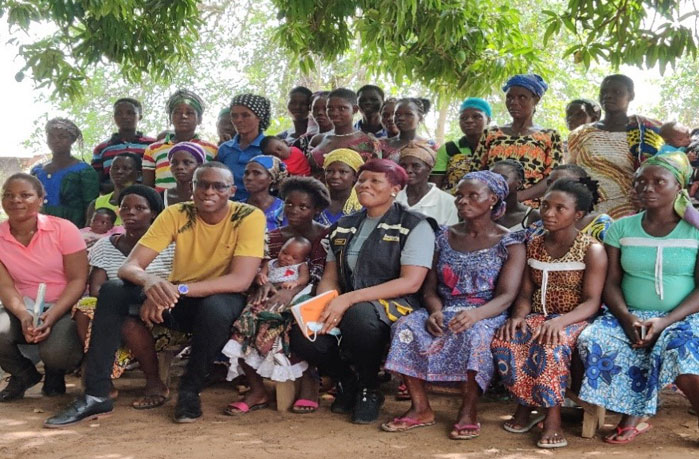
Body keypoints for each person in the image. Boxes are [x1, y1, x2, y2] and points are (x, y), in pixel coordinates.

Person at [45, 162, 266, 427]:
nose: (209, 192)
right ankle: (96, 392)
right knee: (114, 289)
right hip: (179, 300)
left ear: (231, 191)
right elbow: (130, 267)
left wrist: (175, 290)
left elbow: (240, 281)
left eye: (218, 186)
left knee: (216, 306)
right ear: (192, 189)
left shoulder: (248, 216)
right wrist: (150, 282)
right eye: (202, 185)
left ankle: (189, 390)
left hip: (220, 300)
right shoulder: (177, 213)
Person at [290, 159, 438, 424]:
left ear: (395, 189)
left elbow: (411, 283)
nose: (364, 185)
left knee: (359, 316)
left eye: (375, 181)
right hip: (350, 302)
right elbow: (330, 278)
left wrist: (347, 299)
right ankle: (348, 381)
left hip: (398, 303)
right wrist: (324, 304)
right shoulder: (344, 225)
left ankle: (370, 387)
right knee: (304, 332)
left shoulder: (414, 224)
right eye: (361, 180)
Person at [381, 171, 526, 439]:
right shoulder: (443, 236)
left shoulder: (510, 242)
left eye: (473, 195)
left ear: (493, 199)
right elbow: (430, 288)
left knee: (475, 335)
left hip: (487, 312)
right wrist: (434, 310)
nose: (462, 200)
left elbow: (506, 296)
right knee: (406, 326)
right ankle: (420, 407)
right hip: (445, 308)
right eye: (459, 194)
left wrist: (475, 315)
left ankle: (468, 410)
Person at [577, 151, 699, 444]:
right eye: (640, 182)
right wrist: (627, 317)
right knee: (593, 339)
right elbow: (611, 284)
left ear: (679, 187)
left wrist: (665, 321)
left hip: (683, 314)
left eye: (659, 181)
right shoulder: (621, 228)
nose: (648, 188)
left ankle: (644, 414)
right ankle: (632, 413)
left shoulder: (695, 231)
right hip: (628, 313)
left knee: (680, 349)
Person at [491, 178, 607, 449]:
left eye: (559, 208)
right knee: (506, 340)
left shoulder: (591, 249)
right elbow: (524, 295)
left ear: (578, 214)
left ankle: (552, 418)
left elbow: (591, 302)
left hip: (575, 318)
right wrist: (518, 317)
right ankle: (525, 403)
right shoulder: (534, 244)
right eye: (545, 206)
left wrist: (561, 322)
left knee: (549, 346)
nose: (549, 213)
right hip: (538, 316)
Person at [221, 176, 331, 414]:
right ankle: (256, 388)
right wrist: (262, 286)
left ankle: (309, 383)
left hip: (313, 295)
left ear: (317, 209)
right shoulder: (272, 238)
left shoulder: (326, 237)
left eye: (304, 206)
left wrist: (293, 294)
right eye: (289, 204)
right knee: (246, 320)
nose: (294, 210)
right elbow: (258, 268)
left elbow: (325, 277)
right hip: (272, 292)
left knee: (298, 321)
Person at [74, 185, 177, 409]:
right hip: (115, 308)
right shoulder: (104, 245)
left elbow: (175, 282)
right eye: (125, 207)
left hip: (158, 308)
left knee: (128, 323)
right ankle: (105, 381)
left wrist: (151, 298)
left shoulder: (170, 245)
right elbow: (97, 289)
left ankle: (154, 382)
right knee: (85, 309)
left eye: (140, 208)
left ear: (154, 213)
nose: (130, 212)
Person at [0, 173, 87, 401]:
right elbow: (6, 287)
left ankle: (54, 370)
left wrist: (54, 313)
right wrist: (23, 315)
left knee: (57, 353)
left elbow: (78, 279)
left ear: (41, 199)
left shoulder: (64, 229)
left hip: (65, 306)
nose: (15, 200)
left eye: (25, 195)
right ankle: (23, 374)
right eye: (8, 195)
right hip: (23, 306)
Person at [568, 74, 664, 218]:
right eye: (604, 92)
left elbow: (664, 170)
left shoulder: (648, 130)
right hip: (587, 212)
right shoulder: (581, 133)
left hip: (631, 211)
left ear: (631, 95)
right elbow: (570, 172)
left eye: (616, 92)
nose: (608, 96)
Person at [477, 74, 563, 204]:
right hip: (492, 204)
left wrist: (518, 197)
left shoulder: (550, 136)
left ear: (536, 100)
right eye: (510, 97)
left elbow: (554, 177)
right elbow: (476, 171)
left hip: (531, 210)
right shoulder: (491, 133)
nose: (514, 102)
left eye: (522, 97)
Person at [142, 90, 218, 192]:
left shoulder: (212, 150)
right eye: (177, 112)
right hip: (162, 205)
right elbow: (148, 187)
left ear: (199, 119)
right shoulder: (153, 149)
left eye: (189, 113)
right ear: (170, 117)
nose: (183, 116)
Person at [31, 118, 99, 228]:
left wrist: (86, 232)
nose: (56, 140)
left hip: (72, 230)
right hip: (38, 229)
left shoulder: (84, 171)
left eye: (62, 136)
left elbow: (91, 205)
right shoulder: (37, 171)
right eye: (51, 136)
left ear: (72, 140)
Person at [527, 164, 613, 242]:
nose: (553, 188)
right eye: (550, 183)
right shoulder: (540, 226)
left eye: (564, 183)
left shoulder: (601, 224)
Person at [308, 88, 381, 178]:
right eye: (330, 108)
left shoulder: (368, 143)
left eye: (342, 108)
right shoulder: (317, 139)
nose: (334, 113)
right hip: (315, 191)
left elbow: (374, 177)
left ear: (354, 109)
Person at [91, 98, 155, 193]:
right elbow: (97, 182)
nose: (124, 116)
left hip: (145, 199)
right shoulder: (102, 148)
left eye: (130, 113)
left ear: (140, 117)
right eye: (119, 113)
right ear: (114, 117)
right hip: (111, 200)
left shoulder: (152, 145)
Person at [218, 93, 272, 201]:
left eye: (245, 115)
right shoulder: (225, 149)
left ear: (259, 117)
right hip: (227, 209)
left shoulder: (269, 148)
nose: (238, 120)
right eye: (234, 115)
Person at [431, 98, 491, 193]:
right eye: (463, 118)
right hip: (451, 202)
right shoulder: (449, 148)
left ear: (488, 120)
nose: (469, 121)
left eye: (476, 116)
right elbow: (435, 184)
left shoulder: (496, 147)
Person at [395, 141, 458, 226]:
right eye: (403, 166)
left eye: (416, 166)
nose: (408, 170)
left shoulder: (448, 203)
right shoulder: (392, 196)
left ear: (429, 170)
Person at [85, 153, 141, 226]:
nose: (119, 172)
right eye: (115, 168)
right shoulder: (96, 204)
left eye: (125, 168)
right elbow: (87, 232)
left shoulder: (144, 204)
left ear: (138, 174)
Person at [316, 148, 364, 226]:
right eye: (329, 171)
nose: (335, 176)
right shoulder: (316, 201)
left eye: (343, 172)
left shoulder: (362, 205)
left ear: (355, 176)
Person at [380, 98, 436, 162]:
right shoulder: (382, 145)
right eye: (397, 114)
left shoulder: (430, 145)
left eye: (408, 114)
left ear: (420, 118)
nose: (401, 118)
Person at [491, 160, 539, 231]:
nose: (495, 183)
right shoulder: (481, 212)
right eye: (491, 178)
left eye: (503, 178)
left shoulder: (531, 216)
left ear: (519, 183)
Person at [244, 155, 288, 231]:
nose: (249, 178)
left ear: (271, 178)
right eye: (246, 173)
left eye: (256, 173)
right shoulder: (236, 208)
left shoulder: (283, 209)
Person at [161, 141, 207, 206]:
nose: (179, 167)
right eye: (174, 162)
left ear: (199, 166)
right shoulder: (161, 197)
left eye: (187, 162)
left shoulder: (208, 196)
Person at [277, 86, 314, 151]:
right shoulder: (281, 138)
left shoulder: (316, 134)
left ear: (310, 107)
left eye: (303, 104)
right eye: (293, 103)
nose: (297, 107)